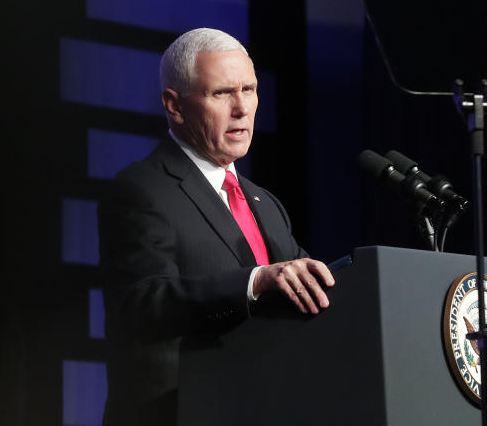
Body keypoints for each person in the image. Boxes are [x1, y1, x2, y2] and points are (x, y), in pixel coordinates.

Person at [98, 27, 335, 426]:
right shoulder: (141, 188)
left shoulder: (265, 203)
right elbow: (141, 304)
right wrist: (254, 282)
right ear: (174, 106)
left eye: (249, 89)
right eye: (221, 93)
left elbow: (302, 294)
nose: (242, 108)